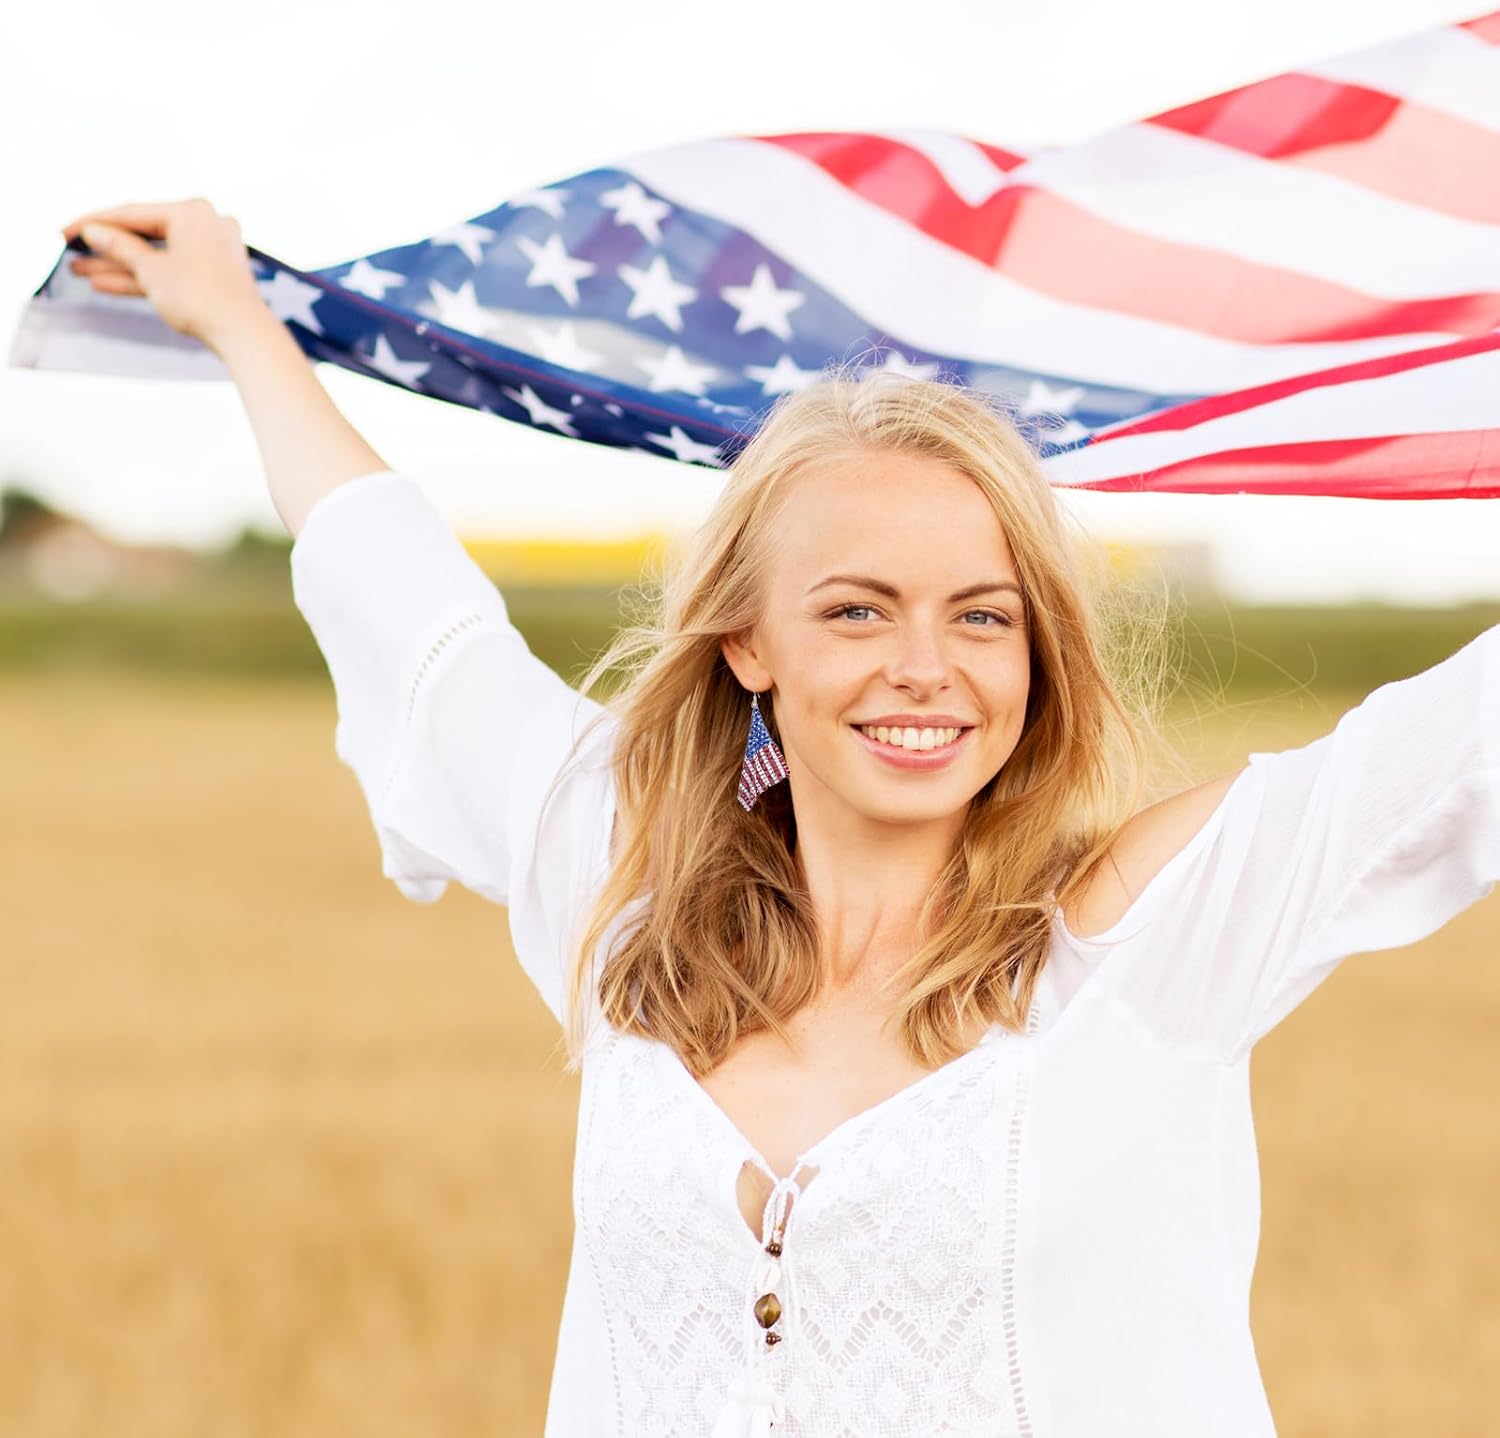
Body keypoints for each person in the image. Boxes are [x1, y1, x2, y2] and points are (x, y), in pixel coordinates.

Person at [63, 198, 1499, 1437]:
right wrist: (241, 324)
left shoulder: (1142, 946)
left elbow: (1446, 750)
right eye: (856, 609)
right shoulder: (622, 889)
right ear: (750, 639)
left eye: (981, 617)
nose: (923, 667)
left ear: (1036, 649)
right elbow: (411, 617)